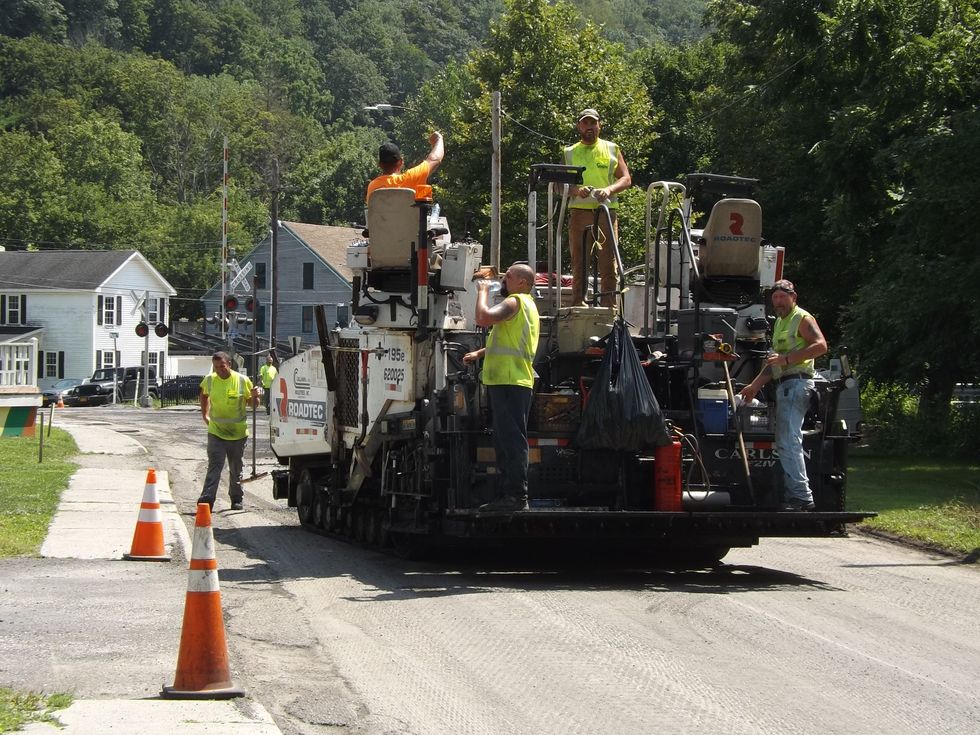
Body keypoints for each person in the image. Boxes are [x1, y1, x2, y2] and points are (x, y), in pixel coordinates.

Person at [738, 280, 828, 511]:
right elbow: (773, 363)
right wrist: (754, 386)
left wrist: (787, 360)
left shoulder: (802, 318)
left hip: (797, 384)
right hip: (785, 385)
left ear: (793, 297)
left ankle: (801, 497)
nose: (778, 301)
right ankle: (795, 495)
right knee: (786, 441)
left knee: (789, 442)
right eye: (775, 298)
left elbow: (821, 346)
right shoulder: (779, 323)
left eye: (782, 297)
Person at [463, 263, 541, 512]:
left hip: (509, 381)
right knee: (506, 439)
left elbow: (482, 318)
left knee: (511, 441)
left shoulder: (515, 302)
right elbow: (508, 341)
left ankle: (517, 497)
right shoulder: (528, 306)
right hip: (512, 381)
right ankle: (510, 495)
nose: (504, 279)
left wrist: (482, 292)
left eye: (509, 276)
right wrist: (480, 353)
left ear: (523, 283)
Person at [563, 108, 632, 307]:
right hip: (579, 213)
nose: (590, 127)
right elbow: (559, 184)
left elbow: (626, 179)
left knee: (608, 262)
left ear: (599, 125)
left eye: (593, 123)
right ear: (579, 126)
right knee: (579, 262)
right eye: (585, 123)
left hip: (606, 213)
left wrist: (609, 190)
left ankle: (609, 307)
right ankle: (579, 304)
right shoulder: (569, 152)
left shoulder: (611, 148)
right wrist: (577, 190)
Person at [198, 351, 261, 511]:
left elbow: (253, 405)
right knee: (215, 466)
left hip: (237, 434)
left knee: (236, 468)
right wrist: (205, 414)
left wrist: (255, 396)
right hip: (216, 432)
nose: (219, 370)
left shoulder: (242, 381)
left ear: (229, 365)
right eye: (216, 367)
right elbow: (204, 395)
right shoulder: (210, 380)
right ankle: (207, 499)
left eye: (222, 366)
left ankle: (236, 498)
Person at [365, 131, 444, 202]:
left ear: (379, 165)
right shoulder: (411, 178)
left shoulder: (373, 187)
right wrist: (439, 139)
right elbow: (435, 159)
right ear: (400, 162)